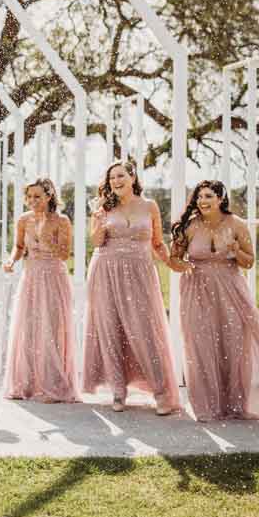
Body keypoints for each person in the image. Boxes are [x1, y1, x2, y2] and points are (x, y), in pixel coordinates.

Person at [166, 179, 259, 421]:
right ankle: (207, 406)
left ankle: (236, 403)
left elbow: (249, 261)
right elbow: (173, 260)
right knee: (200, 343)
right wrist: (184, 264)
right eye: (199, 197)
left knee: (233, 343)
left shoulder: (236, 224)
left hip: (231, 289)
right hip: (196, 289)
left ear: (220, 199)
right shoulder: (189, 226)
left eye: (208, 196)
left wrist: (236, 249)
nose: (202, 201)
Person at [82, 160, 180, 415]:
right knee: (109, 327)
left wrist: (172, 263)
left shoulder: (149, 206)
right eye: (112, 177)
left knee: (144, 328)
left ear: (133, 177)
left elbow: (158, 243)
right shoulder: (103, 207)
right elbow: (96, 241)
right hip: (105, 269)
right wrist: (99, 217)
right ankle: (118, 391)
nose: (116, 181)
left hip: (140, 272)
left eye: (121, 176)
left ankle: (161, 392)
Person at [2, 178, 79, 403]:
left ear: (49, 197)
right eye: (29, 197)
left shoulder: (62, 220)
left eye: (37, 196)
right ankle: (25, 384)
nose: (32, 201)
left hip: (54, 277)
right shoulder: (23, 220)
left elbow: (65, 254)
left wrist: (47, 239)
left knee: (52, 327)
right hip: (31, 276)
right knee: (28, 327)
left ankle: (53, 386)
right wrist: (11, 261)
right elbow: (18, 247)